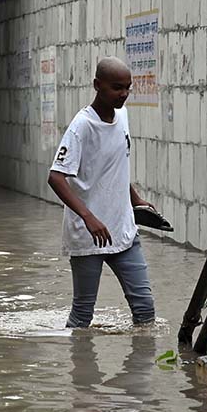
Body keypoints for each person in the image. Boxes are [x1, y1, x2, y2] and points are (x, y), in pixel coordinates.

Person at [47, 57, 156, 328]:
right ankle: (81, 368)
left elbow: (114, 166)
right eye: (117, 87)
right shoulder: (81, 126)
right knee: (83, 315)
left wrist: (136, 199)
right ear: (97, 85)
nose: (124, 94)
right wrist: (88, 217)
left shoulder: (123, 116)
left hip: (123, 229)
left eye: (128, 88)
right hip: (89, 236)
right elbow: (56, 177)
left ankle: (140, 367)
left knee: (145, 310)